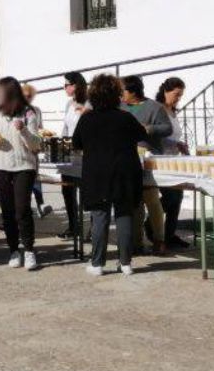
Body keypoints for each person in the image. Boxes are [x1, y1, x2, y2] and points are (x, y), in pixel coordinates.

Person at [72, 74, 146, 276]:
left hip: (97, 172)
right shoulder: (126, 117)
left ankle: (97, 264)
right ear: (116, 95)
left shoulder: (86, 118)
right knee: (124, 215)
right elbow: (142, 135)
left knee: (100, 217)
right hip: (125, 170)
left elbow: (76, 143)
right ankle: (126, 263)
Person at [0, 77, 43, 270]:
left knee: (22, 210)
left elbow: (36, 144)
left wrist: (24, 130)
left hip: (24, 167)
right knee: (7, 210)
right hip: (1, 166)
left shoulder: (28, 113)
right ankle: (13, 250)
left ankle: (29, 250)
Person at [121, 75, 171, 254]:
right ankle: (136, 242)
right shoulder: (120, 107)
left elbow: (167, 128)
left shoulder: (155, 108)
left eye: (123, 91)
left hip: (148, 157)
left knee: (151, 199)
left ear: (133, 91)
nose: (120, 95)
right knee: (133, 202)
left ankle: (159, 239)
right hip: (126, 157)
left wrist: (149, 128)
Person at [155, 77, 190, 248]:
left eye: (180, 95)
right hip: (160, 158)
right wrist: (175, 144)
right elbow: (157, 136)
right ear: (165, 92)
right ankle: (152, 224)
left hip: (173, 157)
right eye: (176, 95)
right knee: (170, 196)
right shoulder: (158, 110)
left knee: (177, 196)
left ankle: (170, 233)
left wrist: (179, 144)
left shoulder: (173, 111)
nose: (178, 99)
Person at [57, 72, 89, 240]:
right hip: (70, 153)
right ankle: (73, 226)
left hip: (86, 153)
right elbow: (66, 127)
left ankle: (90, 229)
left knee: (87, 192)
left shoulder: (90, 102)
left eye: (67, 84)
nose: (65, 88)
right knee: (67, 189)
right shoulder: (69, 103)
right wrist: (62, 143)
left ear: (76, 85)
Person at [21, 84, 52, 219]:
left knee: (35, 177)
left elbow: (40, 129)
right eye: (25, 95)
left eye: (30, 96)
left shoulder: (36, 110)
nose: (27, 98)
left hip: (33, 149)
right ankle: (31, 207)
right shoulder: (16, 110)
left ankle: (40, 205)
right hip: (21, 150)